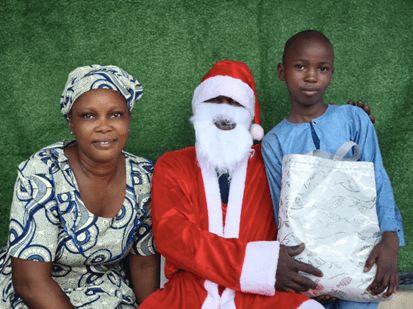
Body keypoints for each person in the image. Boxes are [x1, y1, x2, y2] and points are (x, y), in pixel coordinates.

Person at [139, 60, 324, 309]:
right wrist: (260, 265)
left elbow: (317, 190)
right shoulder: (172, 165)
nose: (225, 112)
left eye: (236, 103)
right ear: (198, 110)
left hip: (262, 296)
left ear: (250, 118)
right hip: (190, 292)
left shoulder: (270, 162)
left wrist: (347, 126)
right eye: (215, 101)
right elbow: (174, 237)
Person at [262, 30, 404, 309]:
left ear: (331, 72)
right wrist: (307, 274)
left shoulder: (354, 119)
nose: (311, 76)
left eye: (322, 68)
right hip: (310, 271)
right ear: (282, 71)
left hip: (364, 257)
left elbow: (378, 179)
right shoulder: (274, 142)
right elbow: (284, 214)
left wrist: (390, 241)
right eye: (300, 66)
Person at [0, 65, 159, 308]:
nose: (104, 126)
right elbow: (30, 283)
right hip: (38, 294)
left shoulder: (144, 177)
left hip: (106, 290)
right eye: (89, 115)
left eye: (115, 114)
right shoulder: (43, 173)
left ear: (128, 120)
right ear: (71, 123)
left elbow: (144, 263)